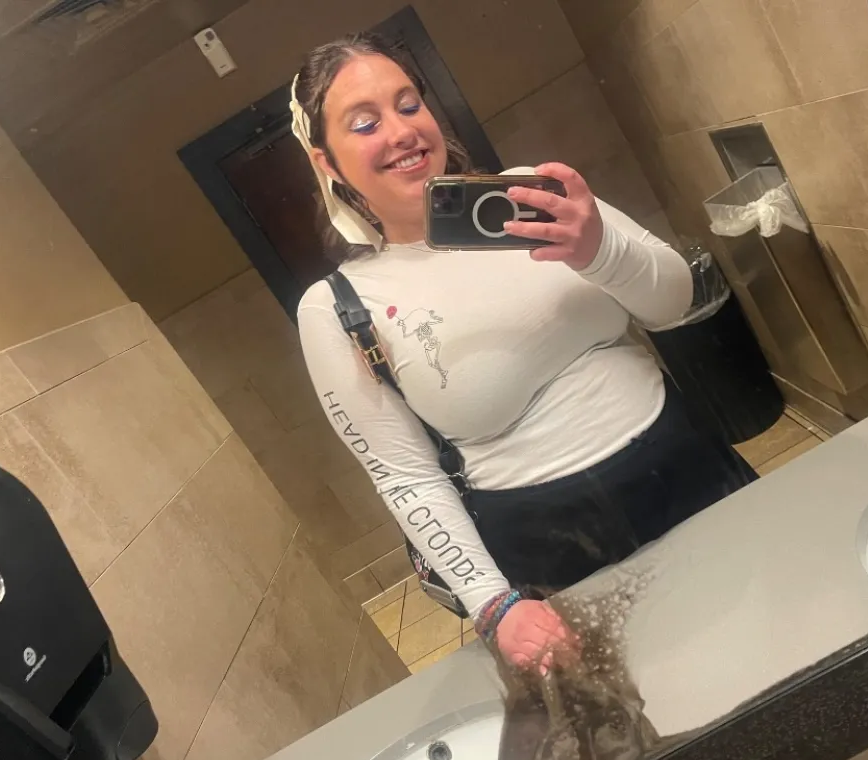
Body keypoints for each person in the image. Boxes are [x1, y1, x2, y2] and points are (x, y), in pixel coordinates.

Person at [292, 33, 757, 671]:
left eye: (408, 104)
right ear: (327, 160)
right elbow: (404, 475)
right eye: (365, 122)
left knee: (774, 628)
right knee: (664, 697)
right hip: (551, 549)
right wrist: (494, 605)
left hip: (690, 465)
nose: (401, 131)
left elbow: (675, 302)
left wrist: (600, 250)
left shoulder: (531, 194)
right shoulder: (338, 306)